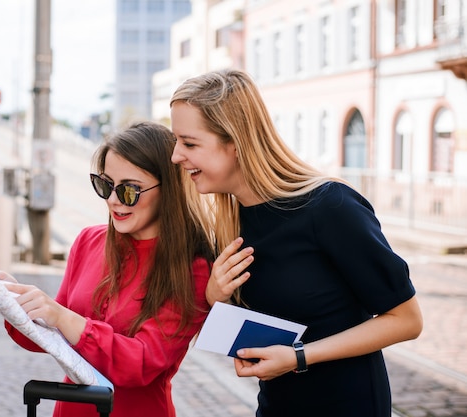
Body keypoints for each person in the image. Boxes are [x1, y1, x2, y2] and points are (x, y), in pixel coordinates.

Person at [169, 69, 423, 417]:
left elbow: (406, 320)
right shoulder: (231, 225)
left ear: (235, 142)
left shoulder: (330, 207)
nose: (175, 156)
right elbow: (253, 333)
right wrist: (216, 298)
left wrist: (300, 357)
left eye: (189, 143)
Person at [0, 121, 214, 417]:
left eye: (129, 191)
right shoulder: (88, 241)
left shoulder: (192, 268)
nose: (112, 200)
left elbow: (142, 363)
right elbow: (56, 339)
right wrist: (15, 303)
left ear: (168, 190)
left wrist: (63, 317)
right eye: (105, 185)